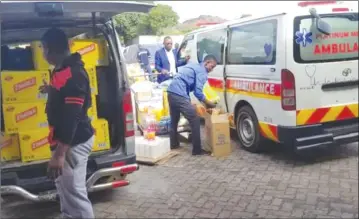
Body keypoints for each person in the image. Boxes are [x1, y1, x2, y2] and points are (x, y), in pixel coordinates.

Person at [39, 28, 95, 219]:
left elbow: (72, 115)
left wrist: (60, 153)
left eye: (42, 49)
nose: (42, 53)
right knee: (64, 189)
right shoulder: (62, 68)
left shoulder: (74, 74)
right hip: (64, 138)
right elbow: (65, 92)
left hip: (73, 141)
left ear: (48, 49)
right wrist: (51, 89)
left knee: (74, 193)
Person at [167, 55, 218, 156]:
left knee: (174, 119)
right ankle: (197, 150)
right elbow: (198, 92)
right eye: (211, 67)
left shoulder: (193, 65)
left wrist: (189, 101)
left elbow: (187, 85)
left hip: (171, 92)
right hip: (179, 94)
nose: (211, 70)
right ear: (206, 63)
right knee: (195, 119)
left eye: (213, 68)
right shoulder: (202, 71)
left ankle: (174, 144)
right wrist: (208, 103)